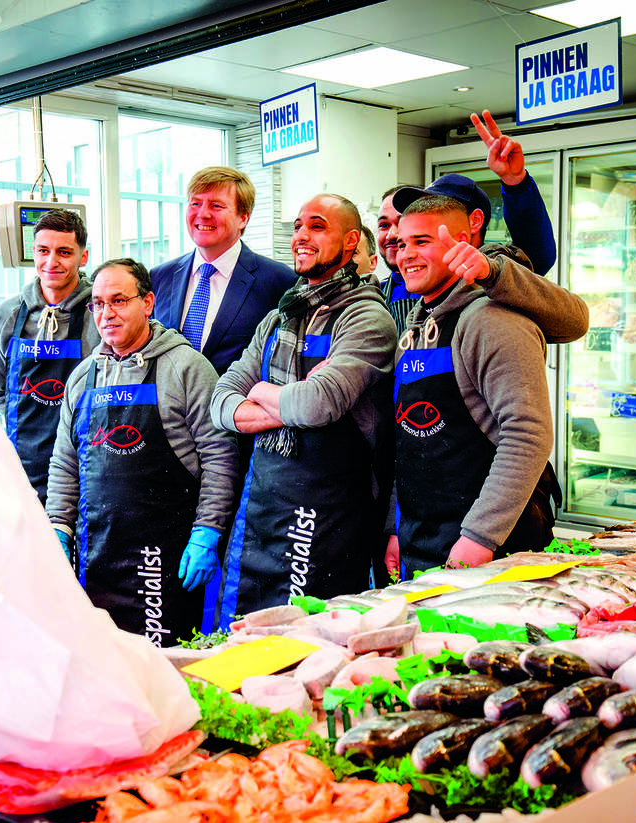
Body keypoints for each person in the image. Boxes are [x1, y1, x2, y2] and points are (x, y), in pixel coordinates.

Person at [212, 194, 396, 625]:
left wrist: (261, 390)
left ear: (350, 241)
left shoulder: (366, 319)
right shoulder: (279, 318)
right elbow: (221, 402)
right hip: (262, 513)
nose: (301, 236)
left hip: (331, 517)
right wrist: (292, 400)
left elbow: (318, 404)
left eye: (317, 226)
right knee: (245, 638)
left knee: (312, 642)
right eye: (297, 226)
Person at [46, 258, 239, 645]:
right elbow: (65, 464)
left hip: (164, 562)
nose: (107, 314)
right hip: (98, 559)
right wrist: (58, 528)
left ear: (148, 303)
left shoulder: (186, 368)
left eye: (119, 301)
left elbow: (220, 458)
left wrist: (207, 532)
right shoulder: (83, 377)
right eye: (98, 304)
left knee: (167, 670)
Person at [388, 194, 561, 577]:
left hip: (490, 550)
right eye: (401, 243)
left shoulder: (492, 321)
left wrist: (480, 537)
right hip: (423, 540)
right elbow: (409, 438)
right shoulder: (417, 325)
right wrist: (396, 528)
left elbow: (528, 434)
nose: (406, 255)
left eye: (422, 241)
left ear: (463, 242)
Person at [379, 110, 563, 335]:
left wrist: (515, 182)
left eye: (437, 210)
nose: (404, 246)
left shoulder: (497, 275)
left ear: (474, 221)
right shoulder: (394, 284)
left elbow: (538, 256)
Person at [0, 209, 100, 502]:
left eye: (64, 252)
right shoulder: (6, 315)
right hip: (23, 468)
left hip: (86, 467)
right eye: (43, 251)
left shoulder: (100, 314)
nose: (51, 262)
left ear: (83, 257)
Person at [151, 167, 297, 375]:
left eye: (216, 206)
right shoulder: (159, 277)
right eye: (195, 203)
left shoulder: (279, 282)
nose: (203, 214)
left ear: (243, 218)